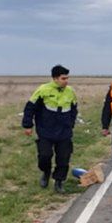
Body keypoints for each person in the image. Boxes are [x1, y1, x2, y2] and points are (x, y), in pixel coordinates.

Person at [22, 64, 77, 193]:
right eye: (63, 78)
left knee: (64, 158)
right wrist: (28, 125)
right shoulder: (43, 90)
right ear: (55, 78)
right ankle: (46, 172)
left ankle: (59, 182)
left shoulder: (71, 91)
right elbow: (30, 108)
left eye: (67, 78)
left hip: (64, 131)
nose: (66, 81)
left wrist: (71, 124)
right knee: (44, 156)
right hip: (46, 130)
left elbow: (74, 109)